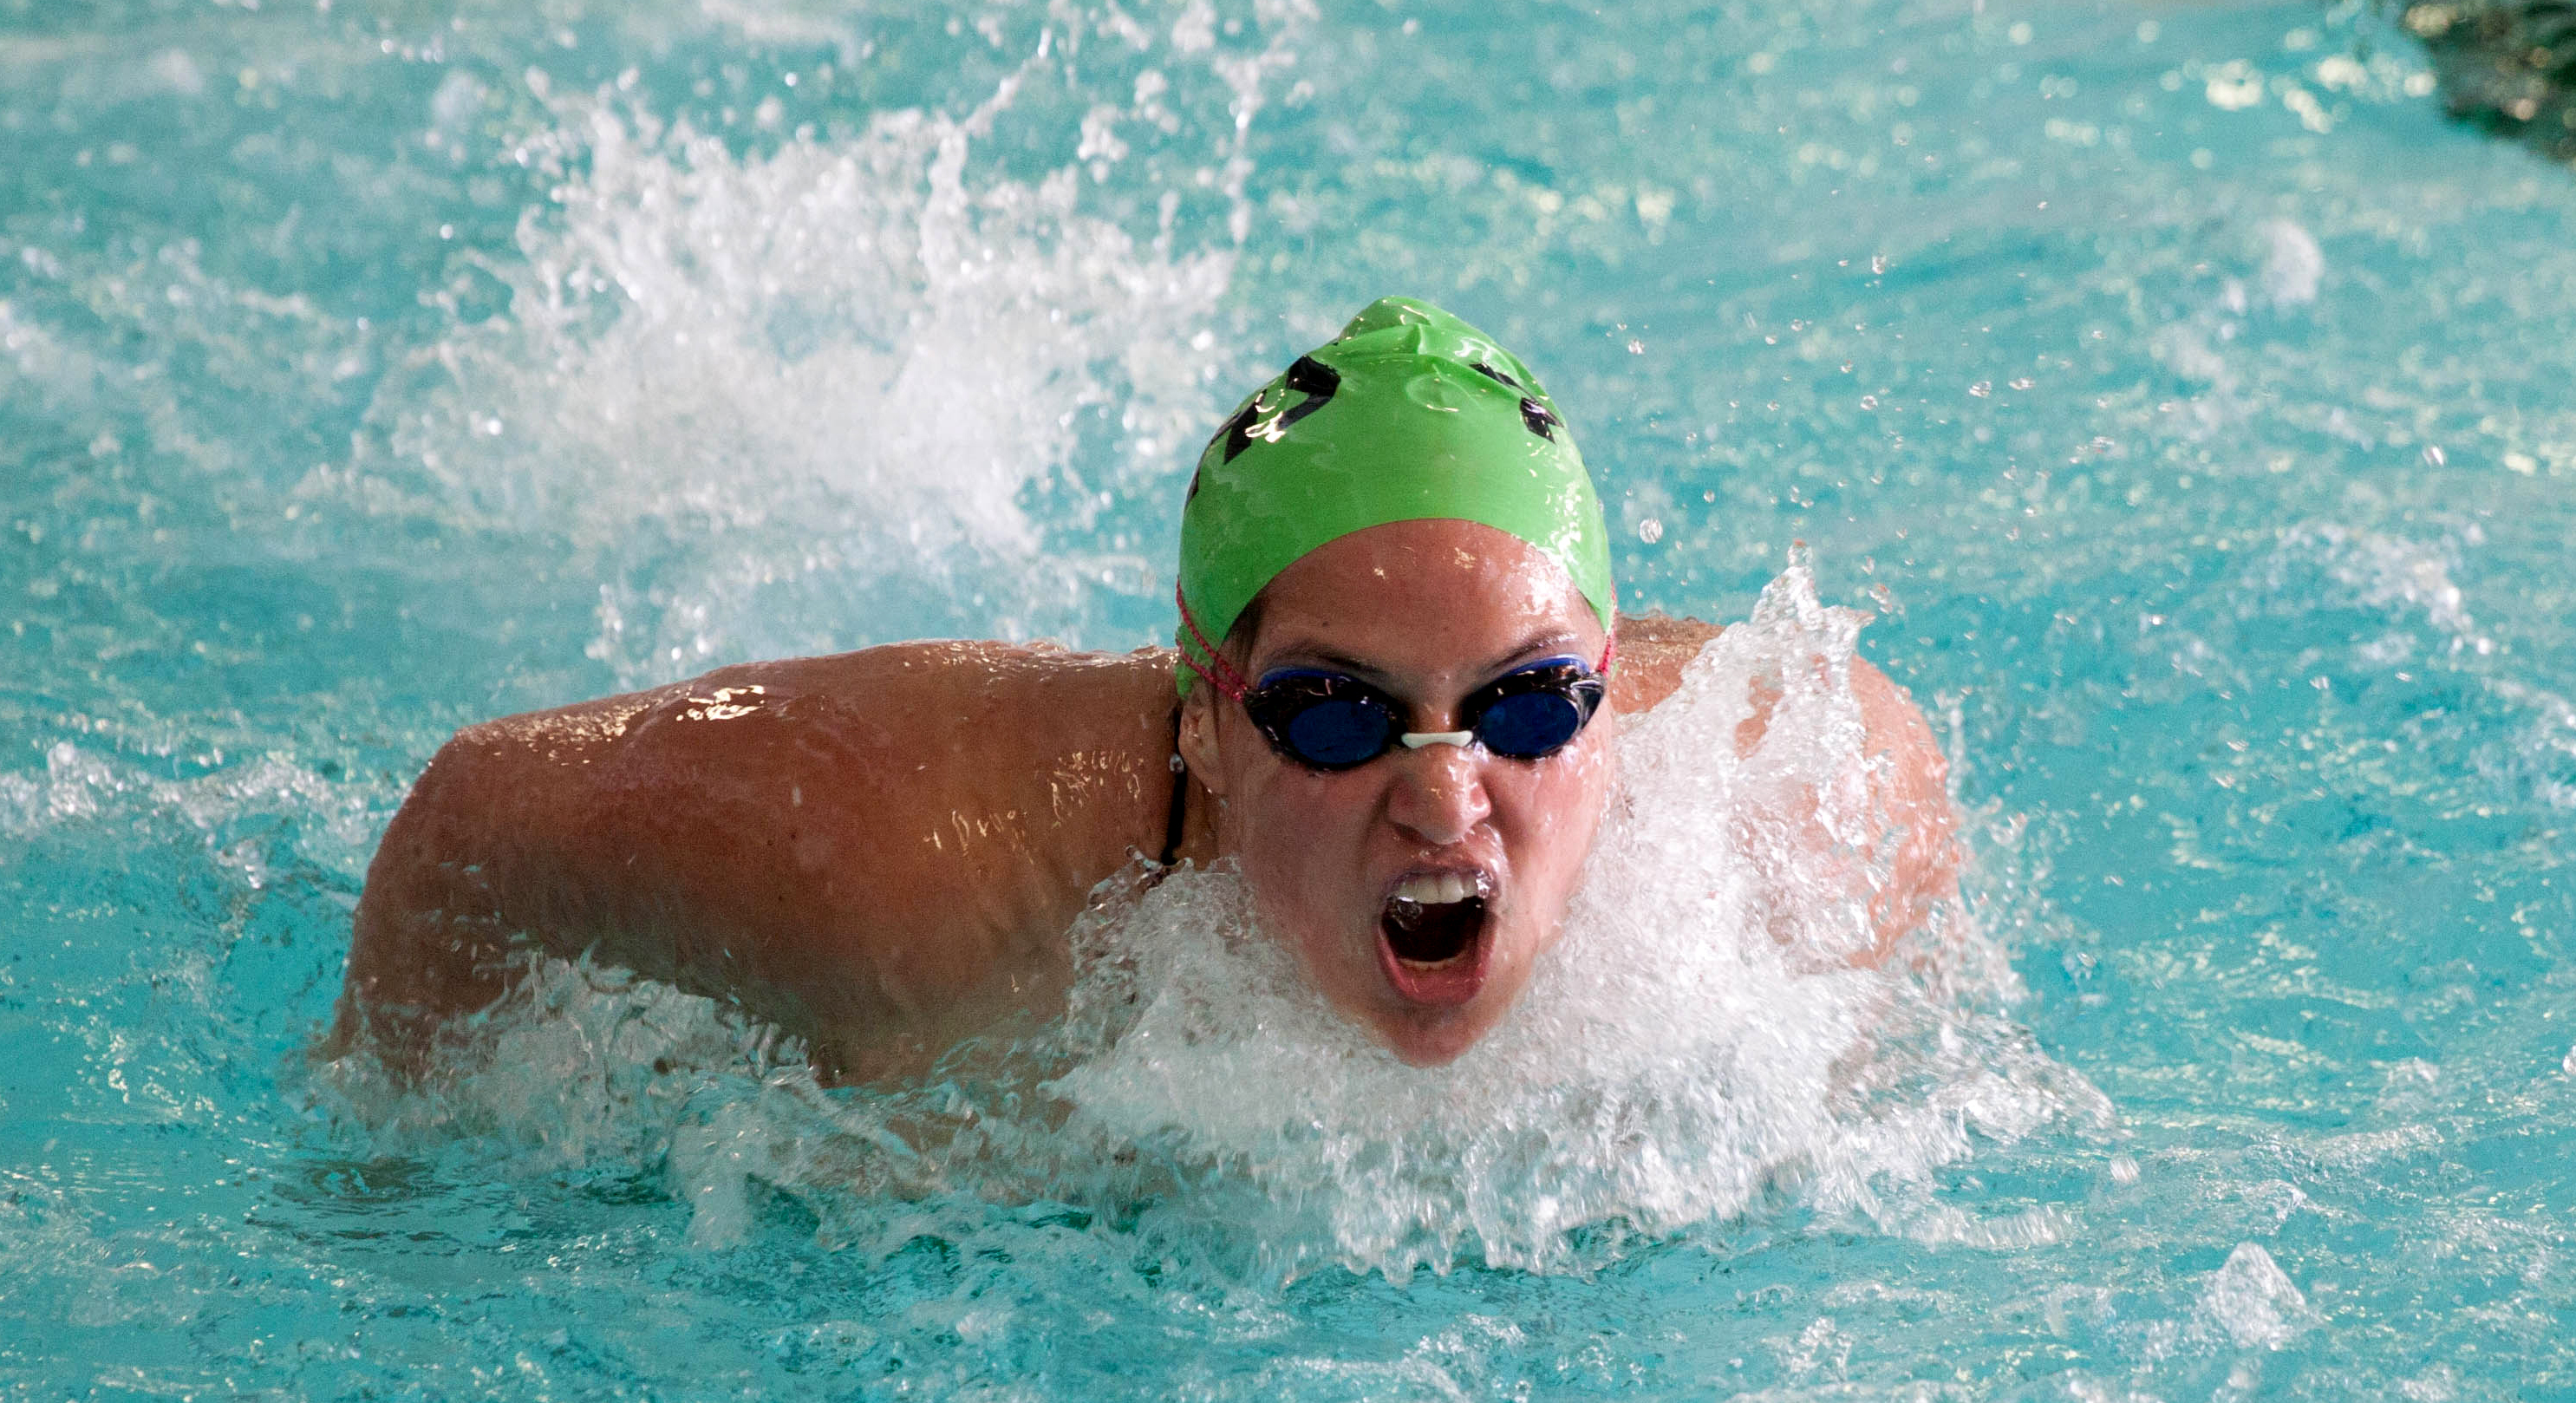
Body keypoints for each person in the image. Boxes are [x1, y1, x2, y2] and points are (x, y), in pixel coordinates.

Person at [332, 297, 1956, 1083]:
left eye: (1526, 708)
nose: (1446, 797)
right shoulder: (917, 868)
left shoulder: (1791, 794)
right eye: (1332, 713)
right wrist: (400, 1182)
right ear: (1202, 707)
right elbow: (481, 814)